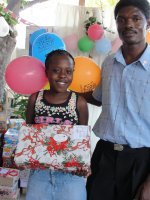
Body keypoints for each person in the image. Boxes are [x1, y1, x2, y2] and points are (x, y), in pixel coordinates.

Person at [84, 0, 150, 199]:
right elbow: (100, 98)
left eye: (136, 18)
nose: (128, 24)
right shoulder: (109, 62)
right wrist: (67, 90)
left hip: (141, 160)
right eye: (122, 20)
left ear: (148, 22)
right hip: (104, 154)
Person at [25, 49, 89, 200]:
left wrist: (83, 164)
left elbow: (82, 139)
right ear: (46, 72)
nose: (63, 76)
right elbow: (29, 132)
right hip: (39, 174)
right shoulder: (35, 99)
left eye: (68, 71)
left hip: (71, 176)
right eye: (56, 70)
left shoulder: (78, 102)